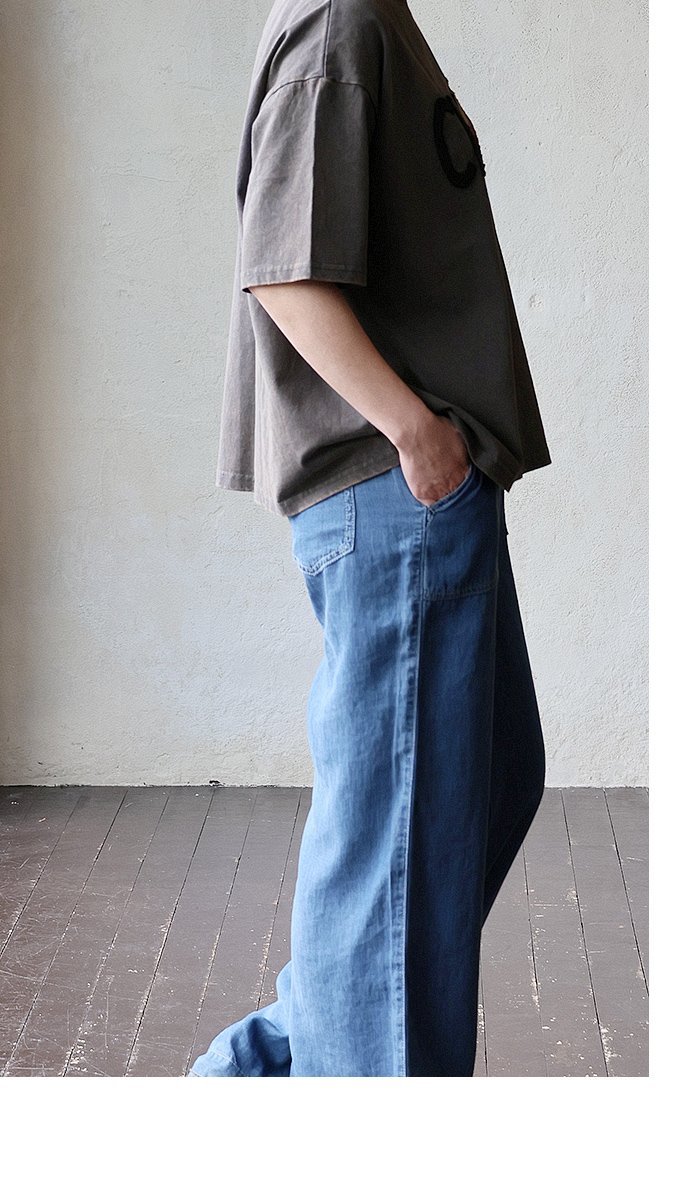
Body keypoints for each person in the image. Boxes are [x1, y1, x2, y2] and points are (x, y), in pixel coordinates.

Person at [189, 0, 552, 1077]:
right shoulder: (340, 23)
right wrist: (416, 435)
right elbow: (284, 272)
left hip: (420, 498)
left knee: (481, 790)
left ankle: (258, 1081)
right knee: (399, 853)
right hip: (396, 496)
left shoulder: (369, 20)